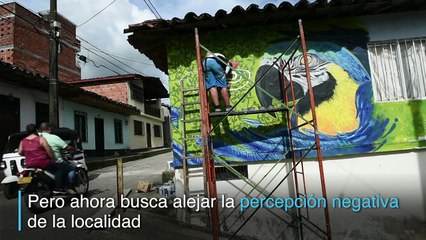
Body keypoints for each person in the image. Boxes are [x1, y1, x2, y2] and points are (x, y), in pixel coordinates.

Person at [18, 124, 68, 195]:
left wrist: (28, 154)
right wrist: (54, 159)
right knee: (60, 168)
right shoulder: (41, 139)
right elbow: (49, 150)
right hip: (43, 163)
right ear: (36, 130)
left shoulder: (23, 141)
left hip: (29, 164)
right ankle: (58, 188)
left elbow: (20, 152)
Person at [39, 122, 76, 195]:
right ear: (49, 129)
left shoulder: (35, 137)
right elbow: (66, 147)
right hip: (50, 162)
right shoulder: (53, 137)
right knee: (71, 168)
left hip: (38, 162)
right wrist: (74, 149)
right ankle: (67, 187)